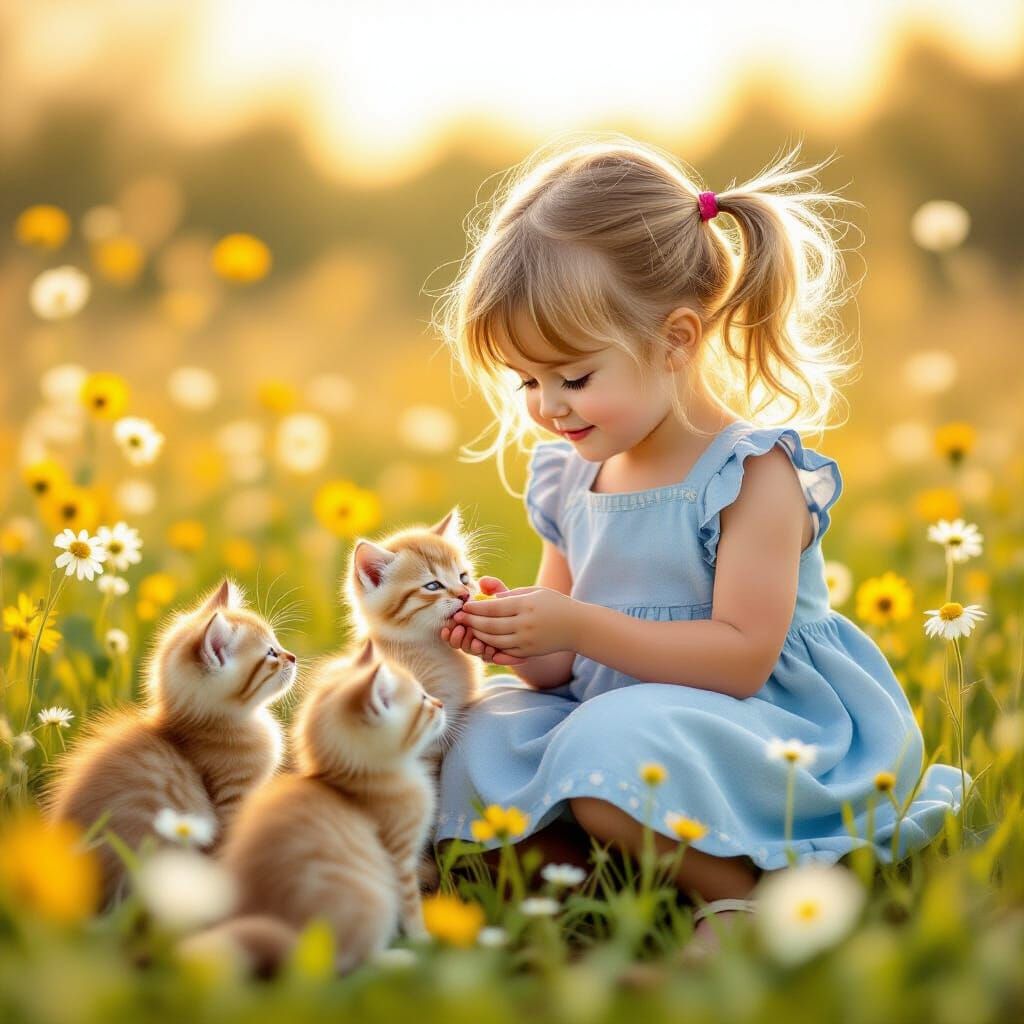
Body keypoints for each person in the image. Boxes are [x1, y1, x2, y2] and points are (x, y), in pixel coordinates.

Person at [430, 134, 966, 950]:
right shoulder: (574, 476)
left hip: (754, 731)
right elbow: (558, 668)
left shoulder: (751, 473)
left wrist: (576, 627)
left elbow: (741, 657)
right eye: (527, 381)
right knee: (473, 735)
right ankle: (576, 882)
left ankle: (741, 898)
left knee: (607, 747)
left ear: (677, 340)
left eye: (573, 377)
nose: (547, 406)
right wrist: (517, 637)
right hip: (616, 721)